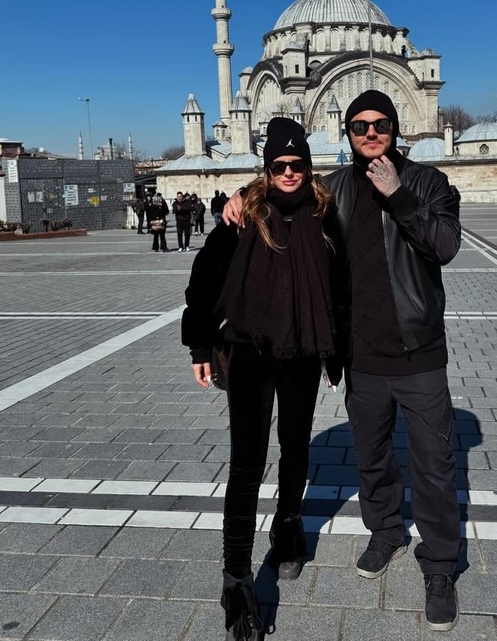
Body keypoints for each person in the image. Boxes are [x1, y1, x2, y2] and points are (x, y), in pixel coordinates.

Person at [225, 90, 462, 632]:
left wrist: (398, 194)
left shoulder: (428, 183)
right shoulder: (334, 189)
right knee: (372, 457)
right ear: (348, 132)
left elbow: (444, 245)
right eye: (359, 125)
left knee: (433, 465)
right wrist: (238, 194)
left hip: (418, 351)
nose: (370, 132)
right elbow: (283, 185)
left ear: (396, 128)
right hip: (362, 356)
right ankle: (385, 533)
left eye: (380, 123)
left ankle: (441, 566)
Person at [182, 117, 338, 641]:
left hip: (302, 351)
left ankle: (289, 528)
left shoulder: (323, 212)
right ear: (267, 168)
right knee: (246, 463)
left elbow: (340, 283)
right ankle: (236, 579)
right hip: (249, 347)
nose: (289, 173)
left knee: (295, 446)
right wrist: (200, 343)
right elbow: (204, 279)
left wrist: (336, 352)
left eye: (297, 165)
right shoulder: (242, 213)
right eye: (279, 165)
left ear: (308, 167)